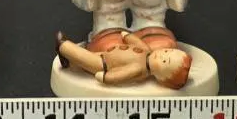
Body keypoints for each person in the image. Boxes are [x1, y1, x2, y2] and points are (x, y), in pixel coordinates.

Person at [55, 31, 192, 89]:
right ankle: (67, 59)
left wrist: (106, 78)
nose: (162, 55)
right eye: (166, 51)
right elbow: (137, 43)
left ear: (161, 78)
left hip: (103, 64)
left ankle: (63, 46)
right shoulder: (147, 51)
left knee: (84, 57)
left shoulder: (139, 69)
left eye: (164, 61)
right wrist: (128, 36)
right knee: (83, 58)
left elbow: (122, 75)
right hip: (106, 55)